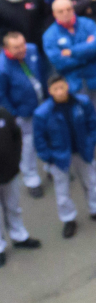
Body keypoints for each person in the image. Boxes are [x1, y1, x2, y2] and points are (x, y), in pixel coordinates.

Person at [31, 75, 96, 237]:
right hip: (59, 155)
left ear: (67, 86)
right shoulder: (42, 113)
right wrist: (49, 157)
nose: (60, 91)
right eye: (56, 89)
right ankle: (68, 219)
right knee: (62, 190)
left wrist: (91, 142)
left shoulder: (82, 102)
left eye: (62, 87)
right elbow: (39, 139)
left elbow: (92, 122)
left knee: (91, 181)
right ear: (50, 91)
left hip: (82, 150)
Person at [41, 0, 96, 165]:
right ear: (54, 14)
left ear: (73, 9)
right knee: (79, 119)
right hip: (74, 82)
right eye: (61, 11)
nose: (66, 13)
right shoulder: (50, 35)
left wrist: (71, 52)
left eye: (68, 9)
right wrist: (86, 52)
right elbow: (58, 61)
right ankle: (87, 153)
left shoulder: (88, 24)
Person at [1, 31, 47, 194]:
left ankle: (49, 166)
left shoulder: (32, 49)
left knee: (48, 136)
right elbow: (2, 95)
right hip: (24, 112)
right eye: (16, 47)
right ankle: (31, 178)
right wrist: (15, 113)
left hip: (43, 104)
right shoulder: (2, 67)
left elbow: (42, 71)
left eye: (22, 44)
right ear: (6, 48)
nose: (22, 49)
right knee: (28, 145)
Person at [0, 103, 40, 264]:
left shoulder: (3, 114)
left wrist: (15, 160)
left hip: (10, 172)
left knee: (13, 206)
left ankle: (19, 236)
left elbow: (16, 136)